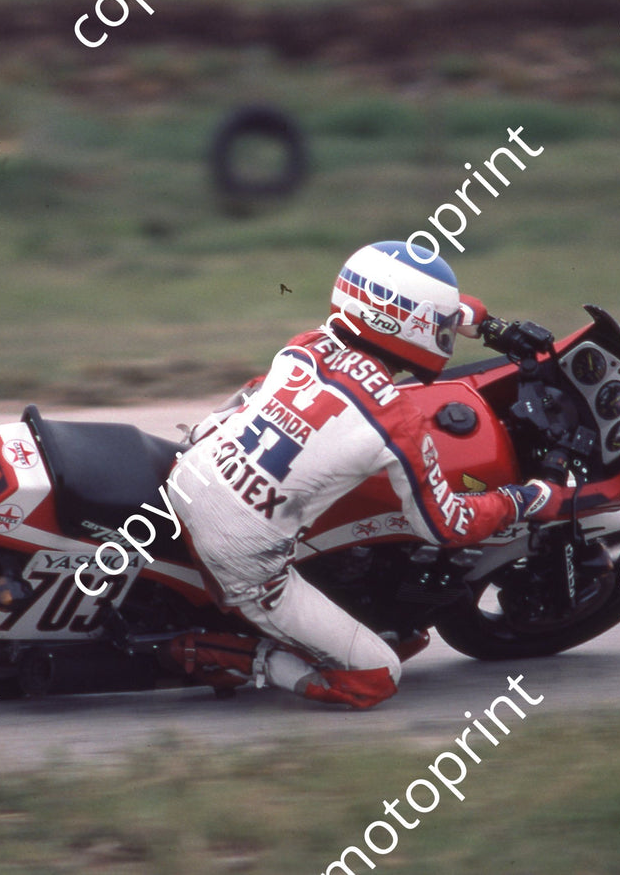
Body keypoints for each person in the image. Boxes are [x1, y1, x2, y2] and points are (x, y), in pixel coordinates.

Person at [159, 241, 561, 708]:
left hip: (190, 475)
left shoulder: (307, 343)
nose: (444, 332)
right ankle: (217, 655)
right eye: (438, 324)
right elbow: (446, 526)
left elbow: (407, 314)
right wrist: (526, 498)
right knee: (377, 677)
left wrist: (491, 326)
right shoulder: (396, 421)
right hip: (238, 557)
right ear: (408, 325)